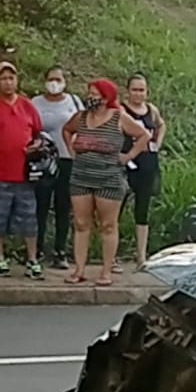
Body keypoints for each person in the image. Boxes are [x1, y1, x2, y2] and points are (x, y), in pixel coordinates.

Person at [62, 79, 149, 286]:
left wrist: (128, 156)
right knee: (81, 224)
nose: (90, 98)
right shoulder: (81, 117)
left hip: (109, 178)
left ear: (106, 97)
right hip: (81, 177)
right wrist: (72, 152)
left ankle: (106, 271)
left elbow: (143, 136)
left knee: (108, 225)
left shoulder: (119, 117)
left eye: (95, 94)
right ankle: (79, 269)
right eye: (89, 93)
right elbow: (67, 130)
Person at [0, 60, 44, 279]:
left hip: (24, 175)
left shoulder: (27, 105)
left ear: (17, 80)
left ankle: (32, 260)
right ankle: (0, 259)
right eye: (3, 78)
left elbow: (38, 134)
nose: (8, 82)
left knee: (29, 219)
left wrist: (36, 145)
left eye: (11, 78)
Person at [30, 66, 82, 270]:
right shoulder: (35, 103)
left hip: (67, 159)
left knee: (63, 206)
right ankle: (36, 250)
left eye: (58, 79)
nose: (54, 83)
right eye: (51, 79)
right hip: (44, 161)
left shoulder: (73, 102)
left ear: (65, 81)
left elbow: (83, 126)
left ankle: (60, 251)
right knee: (40, 206)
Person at [121, 74, 167, 267]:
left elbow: (161, 124)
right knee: (117, 207)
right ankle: (111, 254)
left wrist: (157, 143)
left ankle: (141, 254)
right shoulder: (121, 110)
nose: (138, 94)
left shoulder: (151, 110)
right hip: (126, 161)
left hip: (147, 161)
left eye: (142, 90)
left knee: (143, 208)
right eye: (135, 90)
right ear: (128, 91)